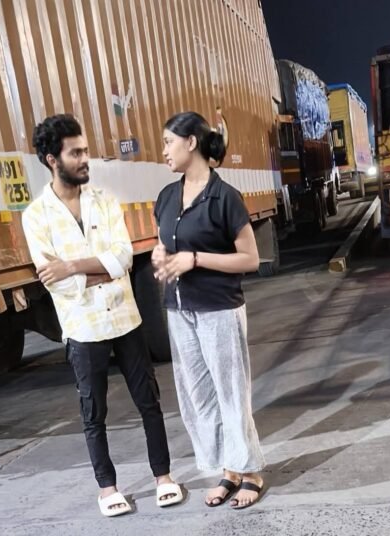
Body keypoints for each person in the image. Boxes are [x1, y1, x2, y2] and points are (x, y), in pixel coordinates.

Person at [21, 114, 183, 517]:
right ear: (51, 160)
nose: (84, 160)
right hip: (82, 326)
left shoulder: (105, 201)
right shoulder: (36, 216)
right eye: (75, 153)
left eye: (85, 151)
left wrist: (73, 267)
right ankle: (107, 488)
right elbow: (54, 282)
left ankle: (163, 477)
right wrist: (97, 270)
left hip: (125, 318)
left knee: (148, 401)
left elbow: (123, 258)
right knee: (93, 412)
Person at [152, 111, 266, 510]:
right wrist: (161, 256)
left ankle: (250, 472)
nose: (164, 151)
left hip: (218, 309)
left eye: (168, 142)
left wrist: (196, 259)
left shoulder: (224, 197)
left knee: (231, 393)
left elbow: (250, 258)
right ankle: (228, 469)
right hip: (179, 310)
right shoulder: (166, 197)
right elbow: (163, 243)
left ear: (191, 142)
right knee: (199, 397)